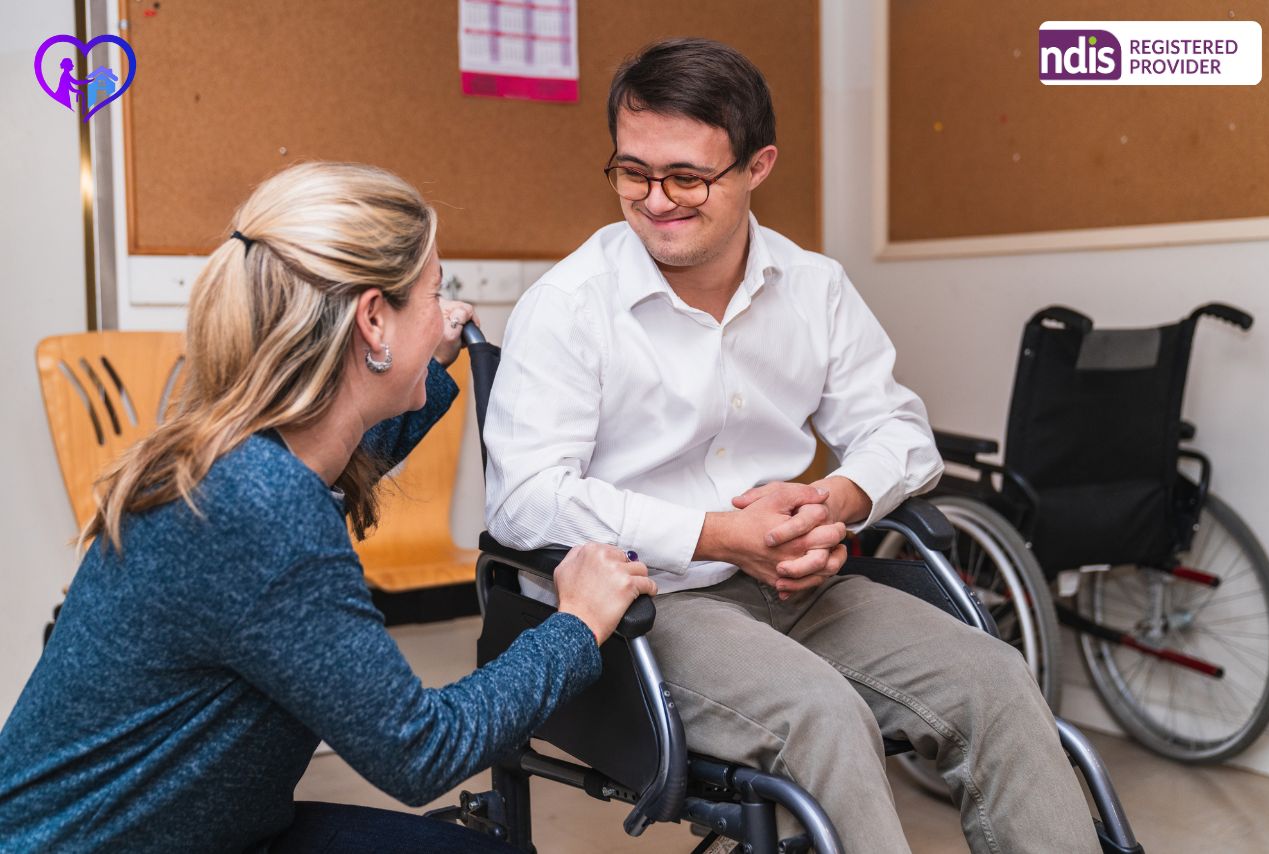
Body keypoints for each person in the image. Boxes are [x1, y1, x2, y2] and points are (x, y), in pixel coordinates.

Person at [484, 39, 1101, 853]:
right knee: (822, 714)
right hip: (645, 601)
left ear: (757, 166)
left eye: (688, 177)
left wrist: (833, 502)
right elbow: (523, 498)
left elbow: (897, 430)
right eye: (633, 172)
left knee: (995, 680)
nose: (655, 200)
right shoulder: (568, 306)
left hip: (796, 584)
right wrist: (715, 535)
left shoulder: (814, 288)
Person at [0, 162, 656, 852]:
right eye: (437, 293)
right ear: (374, 320)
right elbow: (421, 750)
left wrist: (421, 370)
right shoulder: (262, 507)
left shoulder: (239, 453)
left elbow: (347, 456)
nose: (446, 313)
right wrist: (577, 623)